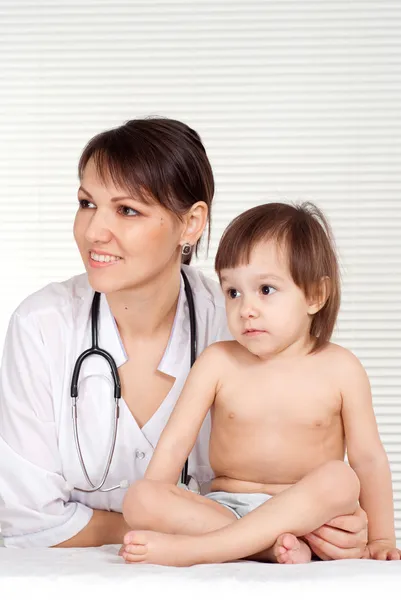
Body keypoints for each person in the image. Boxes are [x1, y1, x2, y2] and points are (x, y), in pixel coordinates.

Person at [0, 119, 366, 556]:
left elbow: (301, 473)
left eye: (127, 210)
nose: (94, 231)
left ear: (191, 224)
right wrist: (265, 535)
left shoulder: (242, 323)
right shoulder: (43, 325)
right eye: (86, 203)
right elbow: (27, 520)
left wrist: (343, 529)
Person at [121, 202, 400, 567]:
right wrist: (154, 504)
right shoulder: (218, 362)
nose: (245, 308)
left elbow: (368, 459)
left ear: (315, 295)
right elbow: (173, 447)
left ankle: (198, 551)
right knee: (138, 498)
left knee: (341, 479)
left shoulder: (341, 369)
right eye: (233, 292)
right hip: (224, 509)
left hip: (306, 517)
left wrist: (382, 538)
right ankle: (266, 548)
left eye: (265, 290)